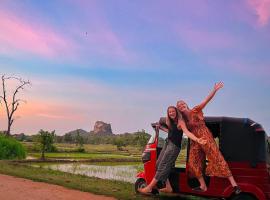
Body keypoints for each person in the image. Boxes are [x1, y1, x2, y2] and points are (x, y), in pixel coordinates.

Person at [176, 82, 241, 194]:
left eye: (182, 104)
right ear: (179, 109)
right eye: (179, 105)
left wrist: (214, 90)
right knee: (193, 161)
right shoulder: (183, 121)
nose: (181, 105)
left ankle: (234, 185)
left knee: (216, 156)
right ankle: (203, 186)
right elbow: (184, 130)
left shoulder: (195, 110)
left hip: (205, 136)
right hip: (195, 140)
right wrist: (179, 127)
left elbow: (206, 100)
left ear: (186, 105)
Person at [138, 106, 206, 195]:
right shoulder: (169, 121)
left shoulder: (180, 122)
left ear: (176, 112)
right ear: (168, 113)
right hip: (167, 143)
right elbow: (161, 122)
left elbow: (187, 132)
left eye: (173, 111)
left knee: (163, 166)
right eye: (169, 112)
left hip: (174, 147)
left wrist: (197, 139)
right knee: (158, 164)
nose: (171, 113)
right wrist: (161, 127)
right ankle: (168, 187)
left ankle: (149, 188)